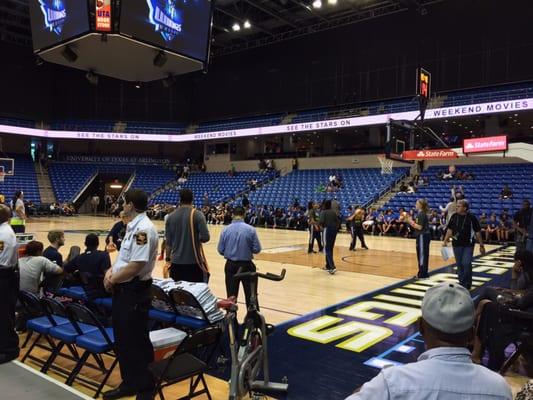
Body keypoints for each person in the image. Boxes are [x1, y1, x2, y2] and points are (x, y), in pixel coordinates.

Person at [344, 283, 512, 400]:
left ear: (421, 328)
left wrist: (366, 390)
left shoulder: (392, 382)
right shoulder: (499, 388)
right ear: (471, 334)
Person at [102, 189, 158, 400]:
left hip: (134, 292)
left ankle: (145, 388)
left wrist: (112, 279)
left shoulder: (143, 230)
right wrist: (110, 271)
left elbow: (136, 265)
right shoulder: (132, 227)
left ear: (131, 205)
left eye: (124, 202)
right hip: (123, 291)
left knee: (137, 341)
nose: (122, 205)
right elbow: (124, 259)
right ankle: (130, 383)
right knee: (123, 340)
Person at [471, 250, 533, 370]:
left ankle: (468, 323)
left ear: (519, 262)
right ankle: (476, 351)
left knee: (487, 303)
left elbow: (521, 300)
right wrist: (512, 293)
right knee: (485, 303)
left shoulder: (527, 273)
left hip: (525, 318)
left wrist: (514, 278)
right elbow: (525, 294)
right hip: (525, 310)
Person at [217, 207, 261, 309]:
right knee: (251, 296)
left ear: (233, 215)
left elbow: (220, 250)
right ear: (244, 215)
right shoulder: (251, 230)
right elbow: (257, 249)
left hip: (231, 265)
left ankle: (232, 322)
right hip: (247, 266)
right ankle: (253, 321)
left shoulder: (225, 230)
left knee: (231, 297)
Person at [165, 189, 210, 283]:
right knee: (193, 295)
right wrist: (195, 237)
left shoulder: (170, 217)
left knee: (177, 294)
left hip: (176, 262)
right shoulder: (198, 215)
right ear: (192, 199)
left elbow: (168, 242)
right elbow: (206, 237)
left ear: (180, 199)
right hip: (193, 262)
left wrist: (168, 258)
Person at [443, 199, 485, 289]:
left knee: (466, 263)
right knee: (459, 264)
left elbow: (477, 232)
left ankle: (467, 283)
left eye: (459, 206)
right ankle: (462, 283)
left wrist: (481, 245)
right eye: (456, 206)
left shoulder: (472, 218)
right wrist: (445, 241)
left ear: (465, 208)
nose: (456, 207)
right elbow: (449, 230)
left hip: (468, 245)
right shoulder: (454, 216)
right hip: (456, 244)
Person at [63, 233, 111, 300]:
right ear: (98, 244)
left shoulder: (79, 258)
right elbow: (107, 275)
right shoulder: (104, 255)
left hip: (87, 290)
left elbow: (65, 269)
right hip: (101, 291)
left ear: (85, 244)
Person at [0, 204, 20, 363]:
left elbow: (2, 260)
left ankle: (9, 349)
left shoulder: (4, 234)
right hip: (5, 274)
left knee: (4, 313)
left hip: (4, 276)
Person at [408, 199, 431, 279]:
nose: (415, 205)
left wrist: (410, 221)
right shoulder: (421, 214)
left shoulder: (421, 214)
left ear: (421, 205)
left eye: (417, 203)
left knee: (422, 255)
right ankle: (423, 273)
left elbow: (419, 227)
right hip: (423, 236)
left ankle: (422, 274)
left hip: (422, 236)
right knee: (423, 255)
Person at [320, 200, 340, 275]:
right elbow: (338, 222)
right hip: (334, 231)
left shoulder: (323, 212)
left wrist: (320, 226)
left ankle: (332, 267)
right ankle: (328, 266)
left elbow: (321, 222)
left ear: (324, 205)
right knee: (330, 248)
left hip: (327, 230)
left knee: (327, 249)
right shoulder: (333, 212)